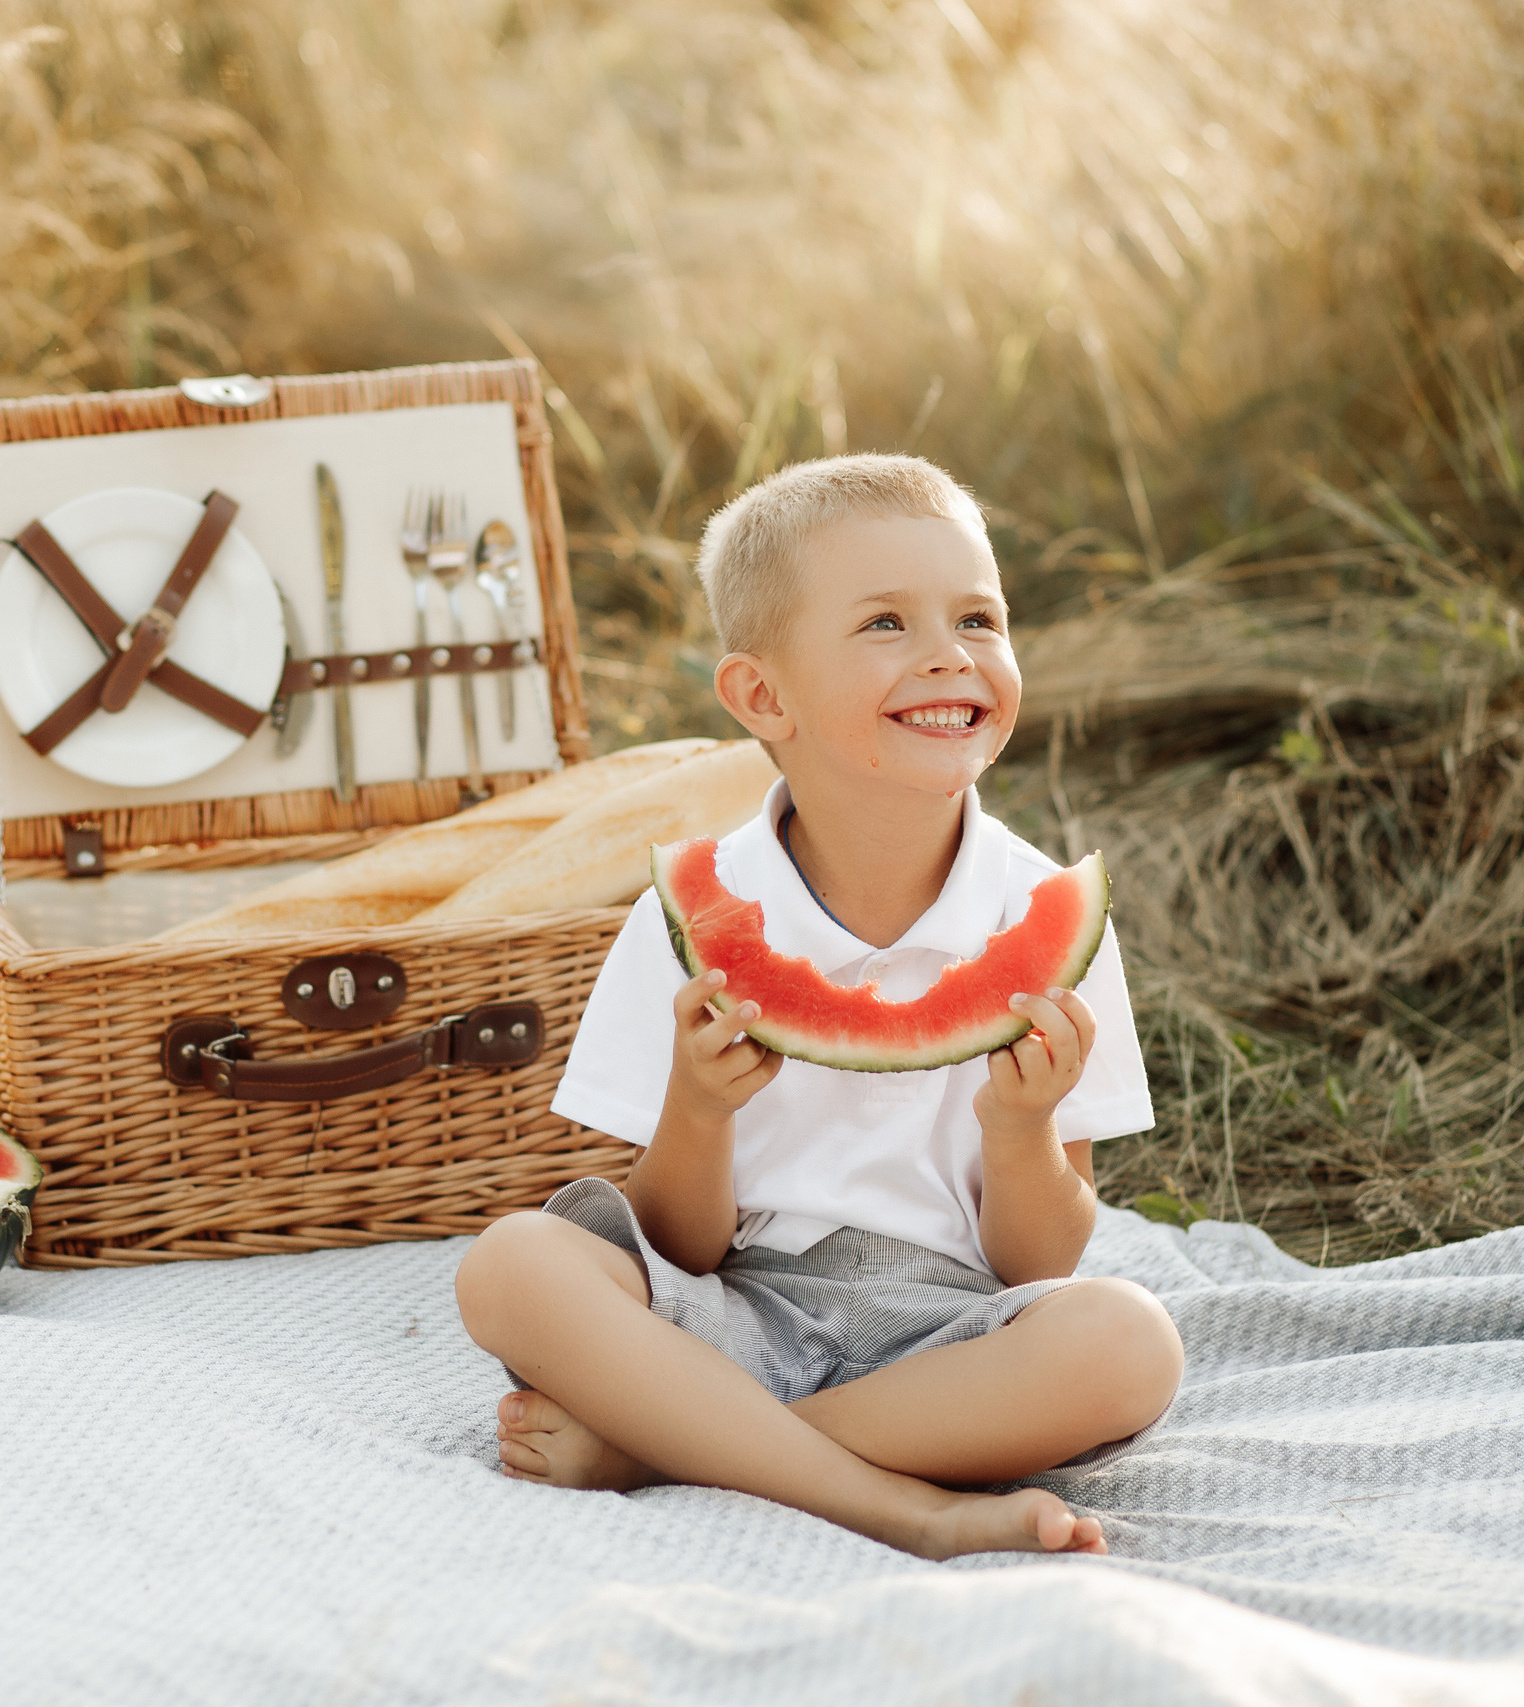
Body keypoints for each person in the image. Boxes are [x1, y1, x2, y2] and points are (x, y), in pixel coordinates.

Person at [452, 453, 1183, 1561]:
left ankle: (672, 1450)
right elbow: (679, 1249)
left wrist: (1021, 1130)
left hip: (950, 1344)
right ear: (761, 696)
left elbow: (1041, 1267)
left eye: (978, 618)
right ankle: (904, 1508)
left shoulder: (1047, 916)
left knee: (1128, 1344)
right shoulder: (687, 919)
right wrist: (697, 1113)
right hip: (733, 1317)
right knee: (511, 1262)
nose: (951, 654)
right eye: (886, 623)